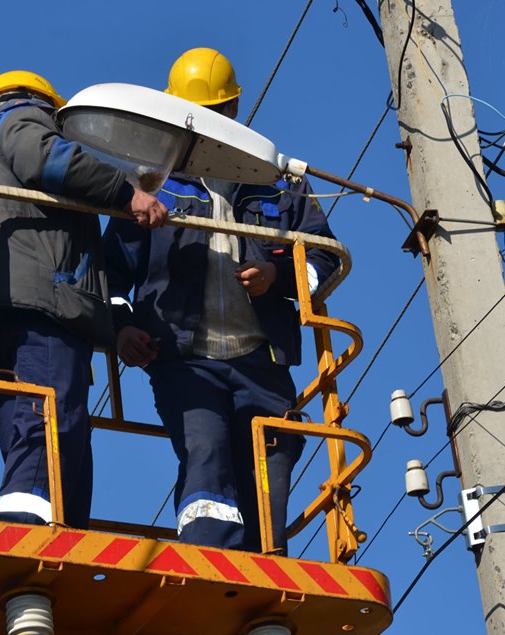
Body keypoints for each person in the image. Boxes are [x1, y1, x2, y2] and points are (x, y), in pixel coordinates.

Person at [102, 48, 340, 553]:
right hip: (185, 359)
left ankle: (263, 568)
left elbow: (328, 257)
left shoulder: (277, 182)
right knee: (206, 449)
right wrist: (120, 328)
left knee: (272, 459)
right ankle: (210, 563)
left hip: (263, 360)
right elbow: (111, 273)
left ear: (231, 111)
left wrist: (279, 276)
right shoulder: (152, 185)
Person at [0, 70, 168, 529]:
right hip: (37, 303)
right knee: (50, 415)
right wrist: (127, 193)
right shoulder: (21, 121)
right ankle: (28, 525)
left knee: (45, 428)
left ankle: (63, 527)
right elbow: (46, 159)